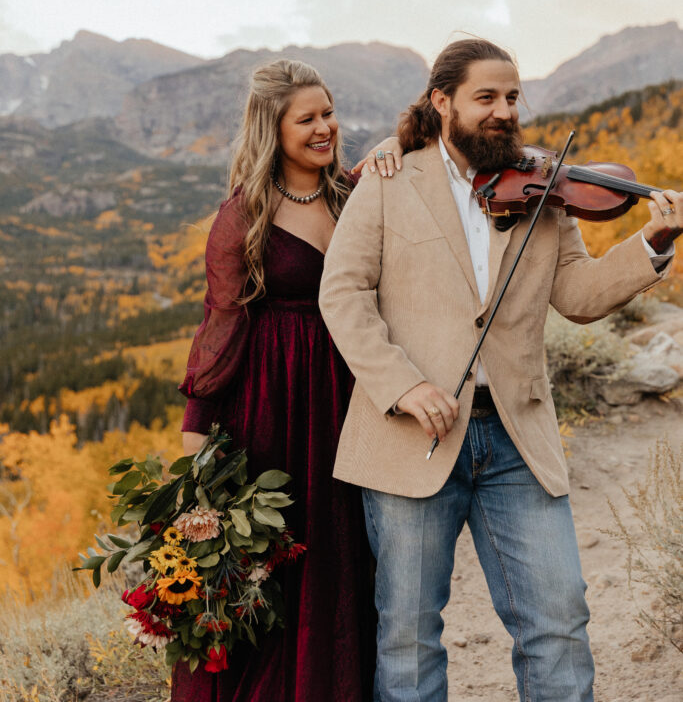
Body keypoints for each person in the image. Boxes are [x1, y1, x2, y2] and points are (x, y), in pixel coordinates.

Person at [319, 37, 681, 702]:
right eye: (485, 97)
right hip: (411, 438)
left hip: (516, 438)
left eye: (511, 97)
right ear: (441, 101)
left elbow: (576, 296)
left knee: (558, 626)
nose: (502, 111)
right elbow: (341, 295)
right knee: (406, 636)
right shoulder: (389, 180)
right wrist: (403, 385)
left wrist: (651, 243)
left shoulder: (542, 186)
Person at [173, 58, 401, 702]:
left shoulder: (351, 195)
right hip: (268, 414)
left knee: (344, 566)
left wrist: (393, 144)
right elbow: (217, 332)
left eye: (329, 112)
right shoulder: (243, 215)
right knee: (267, 571)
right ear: (274, 129)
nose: (325, 127)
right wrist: (196, 463)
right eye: (308, 118)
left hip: (347, 405)